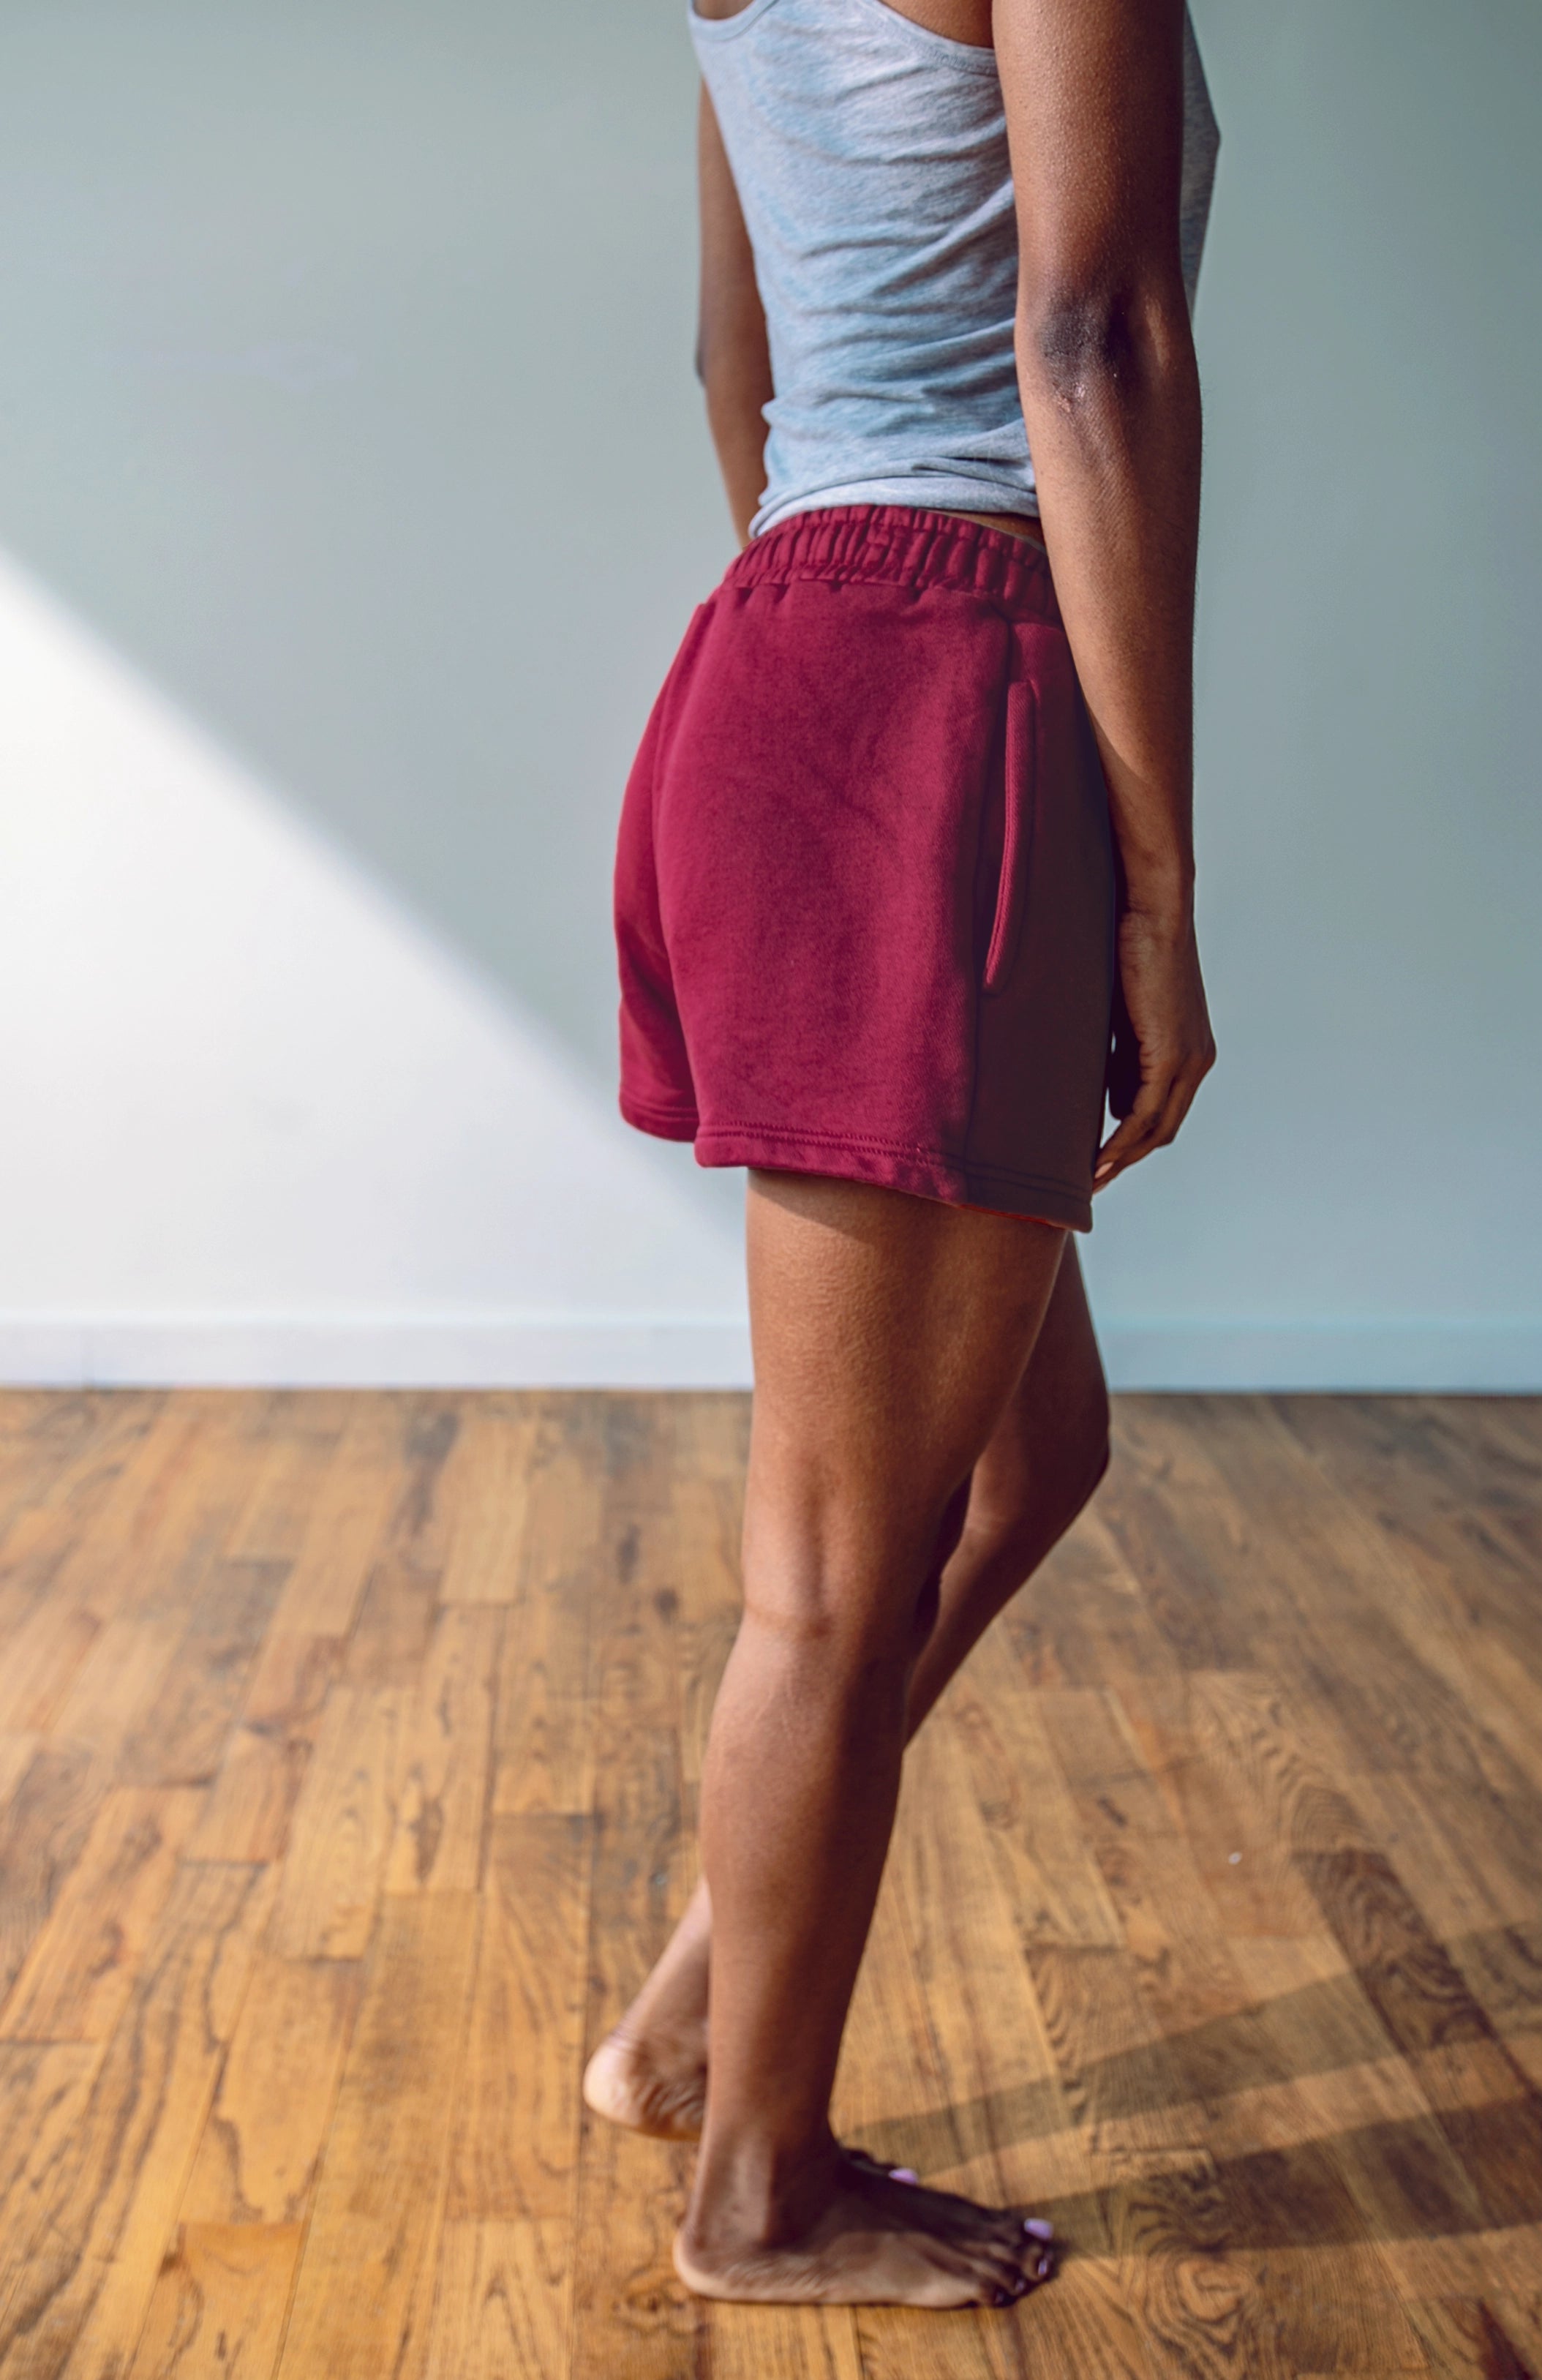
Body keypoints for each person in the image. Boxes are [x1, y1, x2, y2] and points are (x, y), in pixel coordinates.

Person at [593, 0, 1219, 2313]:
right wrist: (1152, 875)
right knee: (837, 1576)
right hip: (952, 664)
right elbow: (1096, 329)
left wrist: (825, 639)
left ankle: (696, 2001)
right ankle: (761, 2191)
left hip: (786, 643)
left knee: (1026, 1455)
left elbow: (726, 352)